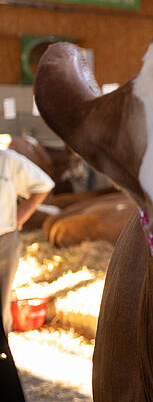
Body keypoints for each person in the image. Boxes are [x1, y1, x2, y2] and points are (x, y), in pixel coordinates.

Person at [0, 146, 55, 401]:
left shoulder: (7, 160)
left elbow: (43, 184)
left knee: (0, 306)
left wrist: (22, 213)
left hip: (3, 240)